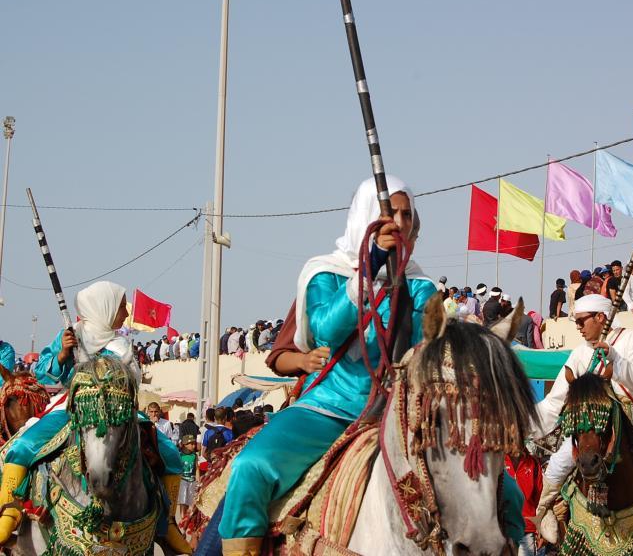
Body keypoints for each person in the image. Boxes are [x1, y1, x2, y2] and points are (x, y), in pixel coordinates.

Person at [217, 176, 453, 553]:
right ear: (366, 217)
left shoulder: (420, 285)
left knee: (496, 485)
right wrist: (370, 266)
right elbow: (326, 330)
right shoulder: (325, 273)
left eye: (407, 214)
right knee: (251, 467)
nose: (400, 222)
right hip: (328, 409)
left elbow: (425, 351)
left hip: (397, 415)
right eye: (389, 212)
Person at [5, 281, 188, 553]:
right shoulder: (72, 334)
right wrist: (63, 354)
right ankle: (9, 511)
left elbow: (134, 379)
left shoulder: (121, 344)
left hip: (120, 407)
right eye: (121, 306)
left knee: (170, 454)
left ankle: (168, 522)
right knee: (23, 445)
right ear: (105, 307)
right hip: (74, 406)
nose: (126, 312)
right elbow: (43, 374)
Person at [532, 294, 633, 554]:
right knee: (560, 460)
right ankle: (544, 512)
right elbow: (556, 401)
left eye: (581, 321)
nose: (578, 327)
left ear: (600, 318)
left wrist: (614, 358)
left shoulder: (632, 339)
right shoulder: (579, 353)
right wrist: (523, 422)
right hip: (593, 421)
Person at [504, 448, 543, 556]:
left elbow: (539, 499)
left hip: (526, 530)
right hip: (502, 531)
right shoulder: (497, 462)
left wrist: (539, 529)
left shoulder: (533, 464)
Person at [178, 434, 199, 519]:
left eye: (194, 444)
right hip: (182, 480)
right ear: (184, 445)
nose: (194, 446)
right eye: (191, 444)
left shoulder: (194, 456)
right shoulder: (180, 455)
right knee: (183, 500)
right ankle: (182, 517)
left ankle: (187, 518)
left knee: (190, 500)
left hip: (192, 480)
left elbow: (197, 468)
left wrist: (198, 481)